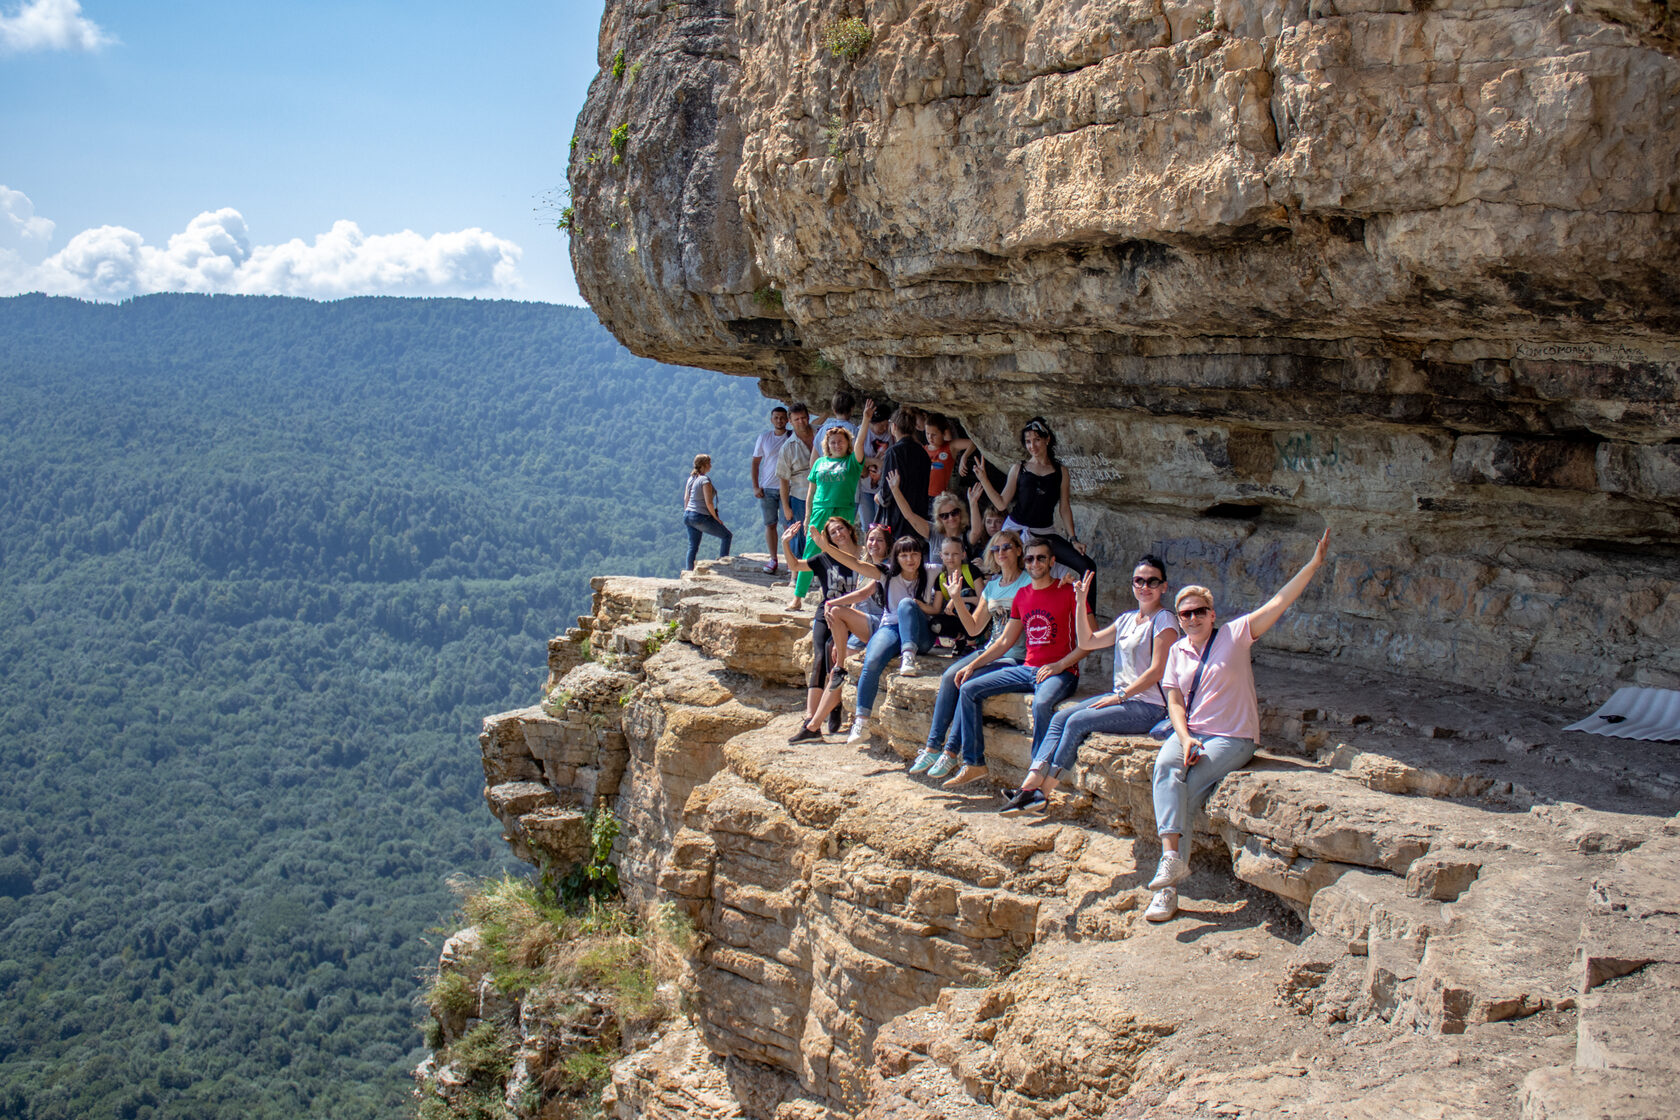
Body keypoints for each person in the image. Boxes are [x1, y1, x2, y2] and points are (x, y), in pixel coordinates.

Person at [1143, 529, 1332, 922]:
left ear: (1212, 614)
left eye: (1199, 612)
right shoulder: (1177, 651)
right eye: (1185, 613)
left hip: (1233, 737)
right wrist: (1186, 738)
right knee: (1165, 767)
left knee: (1187, 788)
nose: (1192, 618)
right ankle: (1172, 867)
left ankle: (1169, 886)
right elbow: (1174, 702)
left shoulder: (1235, 634)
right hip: (1191, 733)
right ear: (1178, 618)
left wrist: (1313, 564)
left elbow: (1279, 601)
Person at [1000, 556, 1180, 816]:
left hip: (1149, 705)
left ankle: (1043, 792)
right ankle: (1029, 785)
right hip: (1124, 698)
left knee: (1077, 721)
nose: (1145, 586)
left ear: (1163, 586)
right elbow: (1088, 640)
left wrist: (1119, 697)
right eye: (1139, 580)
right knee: (1061, 717)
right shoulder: (1127, 619)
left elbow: (1157, 671)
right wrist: (1080, 601)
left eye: (1153, 581)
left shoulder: (1165, 621)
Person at [941, 535, 1094, 788]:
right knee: (968, 688)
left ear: (1052, 561)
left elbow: (1090, 640)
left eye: (1041, 558)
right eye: (1031, 558)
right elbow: (1004, 642)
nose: (1035, 563)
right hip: (1027, 669)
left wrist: (1061, 665)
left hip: (1061, 672)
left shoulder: (1069, 591)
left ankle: (1037, 773)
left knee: (1042, 704)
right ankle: (974, 762)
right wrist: (973, 665)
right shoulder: (1022, 595)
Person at [912, 530, 1032, 776]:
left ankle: (951, 752)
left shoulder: (1028, 583)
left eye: (1006, 547)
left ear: (1019, 550)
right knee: (948, 677)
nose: (1000, 553)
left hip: (1015, 655)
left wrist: (974, 665)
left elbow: (1009, 640)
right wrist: (956, 599)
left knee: (966, 678)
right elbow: (974, 628)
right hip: (991, 650)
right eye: (996, 549)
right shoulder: (992, 587)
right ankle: (933, 747)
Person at [976, 417, 1098, 612]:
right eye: (1028, 441)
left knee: (1087, 565)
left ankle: (1086, 618)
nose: (1032, 445)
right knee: (1019, 573)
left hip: (1045, 532)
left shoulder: (1060, 472)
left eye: (1036, 440)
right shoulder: (1019, 468)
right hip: (1016, 531)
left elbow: (1064, 507)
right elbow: (1000, 502)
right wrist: (983, 479)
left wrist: (1073, 538)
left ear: (1047, 439)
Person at [788, 522, 894, 741]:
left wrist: (834, 603)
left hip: (880, 626)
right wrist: (840, 641)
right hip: (863, 624)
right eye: (872, 539)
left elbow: (862, 594)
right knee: (835, 669)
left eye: (880, 540)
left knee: (836, 617)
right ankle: (814, 726)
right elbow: (858, 603)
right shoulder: (867, 563)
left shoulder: (884, 567)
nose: (874, 543)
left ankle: (839, 670)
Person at [844, 534, 942, 745]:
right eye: (904, 555)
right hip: (891, 628)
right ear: (896, 558)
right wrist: (826, 546)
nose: (910, 559)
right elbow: (855, 563)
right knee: (871, 662)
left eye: (914, 554)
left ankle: (908, 656)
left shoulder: (931, 571)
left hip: (920, 634)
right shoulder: (887, 574)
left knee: (907, 604)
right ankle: (861, 722)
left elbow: (955, 565)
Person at [790, 400, 873, 607]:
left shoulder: (852, 462)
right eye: (833, 442)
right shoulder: (819, 462)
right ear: (827, 444)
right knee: (811, 552)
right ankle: (798, 597)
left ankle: (846, 597)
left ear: (847, 443)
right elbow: (811, 490)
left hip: (843, 510)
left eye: (841, 441)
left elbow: (861, 443)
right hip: (819, 510)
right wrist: (808, 515)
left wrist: (865, 419)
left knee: (844, 552)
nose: (837, 444)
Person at [883, 481, 978, 561]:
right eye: (944, 515)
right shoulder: (933, 531)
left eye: (954, 512)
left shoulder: (965, 536)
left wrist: (973, 503)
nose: (951, 518)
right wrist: (895, 490)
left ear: (961, 512)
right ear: (939, 519)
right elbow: (909, 516)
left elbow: (976, 532)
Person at [776, 403, 816, 592]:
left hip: (822, 493)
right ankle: (796, 575)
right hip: (799, 495)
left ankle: (817, 572)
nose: (801, 422)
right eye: (796, 419)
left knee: (820, 533)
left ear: (808, 417)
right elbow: (783, 480)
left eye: (803, 418)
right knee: (799, 534)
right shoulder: (788, 447)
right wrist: (785, 506)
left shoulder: (820, 435)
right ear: (790, 422)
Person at [877, 408, 930, 544]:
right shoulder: (923, 453)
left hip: (897, 517)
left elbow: (886, 491)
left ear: (894, 427)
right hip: (919, 513)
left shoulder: (893, 452)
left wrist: (878, 497)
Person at [751, 405, 791, 574]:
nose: (779, 420)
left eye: (782, 417)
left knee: (787, 525)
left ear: (787, 420)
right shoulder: (764, 438)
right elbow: (755, 462)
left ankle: (790, 560)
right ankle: (773, 559)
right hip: (767, 487)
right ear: (771, 419)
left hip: (788, 488)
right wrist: (755, 486)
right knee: (770, 524)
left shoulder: (792, 435)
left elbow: (812, 426)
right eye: (776, 417)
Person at [681, 454, 731, 571]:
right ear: (703, 465)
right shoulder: (704, 480)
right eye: (709, 463)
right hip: (700, 516)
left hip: (688, 515)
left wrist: (687, 513)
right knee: (727, 536)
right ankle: (724, 566)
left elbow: (686, 499)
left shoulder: (691, 479)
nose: (711, 466)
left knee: (692, 546)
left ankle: (689, 571)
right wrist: (716, 519)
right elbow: (709, 503)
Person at [856, 406, 893, 529]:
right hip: (864, 488)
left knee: (882, 526)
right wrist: (875, 461)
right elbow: (855, 459)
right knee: (868, 527)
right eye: (880, 425)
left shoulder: (890, 434)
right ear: (871, 423)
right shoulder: (861, 433)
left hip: (883, 488)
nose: (884, 428)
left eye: (885, 424)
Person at [923, 413, 975, 501]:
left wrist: (964, 457)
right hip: (922, 495)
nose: (930, 438)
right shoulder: (923, 449)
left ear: (944, 433)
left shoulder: (950, 447)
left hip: (940, 498)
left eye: (934, 434)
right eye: (927, 433)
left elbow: (973, 443)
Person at [966, 484, 1005, 551]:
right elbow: (975, 532)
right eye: (989, 522)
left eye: (998, 521)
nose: (993, 525)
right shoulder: (979, 543)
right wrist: (973, 502)